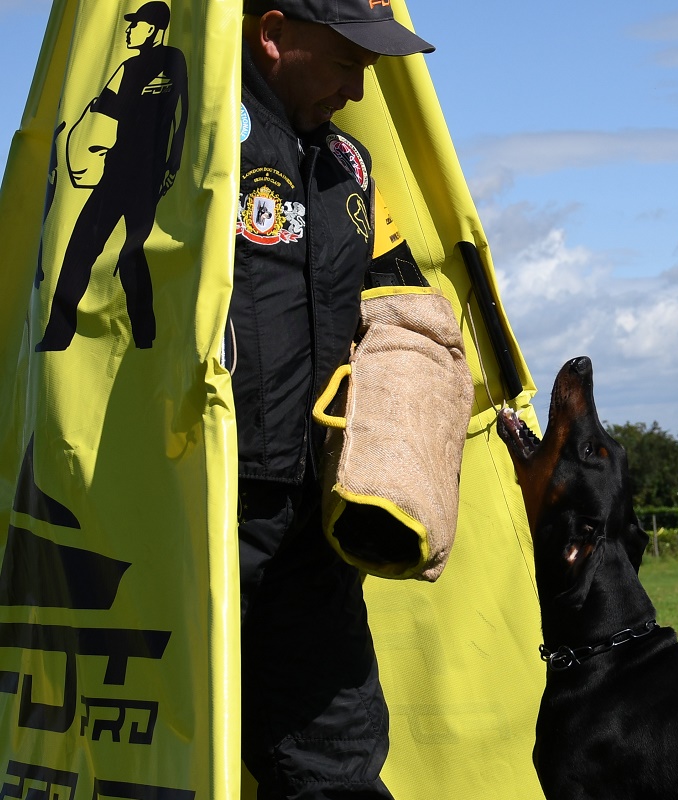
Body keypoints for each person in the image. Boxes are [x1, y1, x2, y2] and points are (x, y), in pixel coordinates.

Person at [229, 2, 439, 798]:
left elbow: (404, 312)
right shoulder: (186, 144)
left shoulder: (350, 166)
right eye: (348, 61)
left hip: (313, 525)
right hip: (192, 517)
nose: (358, 89)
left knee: (338, 759)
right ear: (273, 32)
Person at [36, 0, 188, 351]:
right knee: (80, 248)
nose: (129, 29)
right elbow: (101, 110)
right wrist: (71, 143)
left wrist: (173, 164)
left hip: (148, 175)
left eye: (137, 25)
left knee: (132, 254)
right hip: (116, 170)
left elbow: (182, 113)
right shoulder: (127, 67)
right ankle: (58, 335)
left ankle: (146, 339)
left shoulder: (174, 59)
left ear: (154, 28)